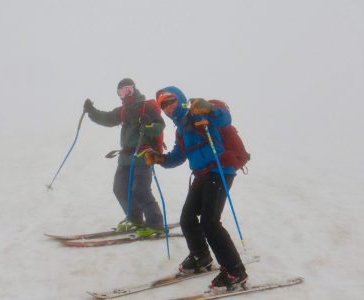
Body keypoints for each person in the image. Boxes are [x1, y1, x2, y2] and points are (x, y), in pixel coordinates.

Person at [144, 86, 248, 289]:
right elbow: (178, 156)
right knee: (187, 218)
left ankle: (236, 271)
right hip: (202, 175)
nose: (167, 108)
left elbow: (224, 119)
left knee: (210, 222)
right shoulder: (181, 130)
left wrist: (209, 109)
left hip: (220, 169)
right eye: (162, 105)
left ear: (180, 99)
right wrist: (161, 158)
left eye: (170, 101)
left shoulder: (199, 111)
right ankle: (201, 257)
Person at [83, 78, 165, 237]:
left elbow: (160, 126)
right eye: (121, 91)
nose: (126, 94)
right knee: (120, 189)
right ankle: (135, 220)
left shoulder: (146, 106)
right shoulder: (123, 110)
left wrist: (148, 125)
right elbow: (106, 118)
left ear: (135, 89)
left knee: (141, 190)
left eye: (128, 89)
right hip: (126, 156)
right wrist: (91, 111)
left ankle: (155, 224)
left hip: (143, 155)